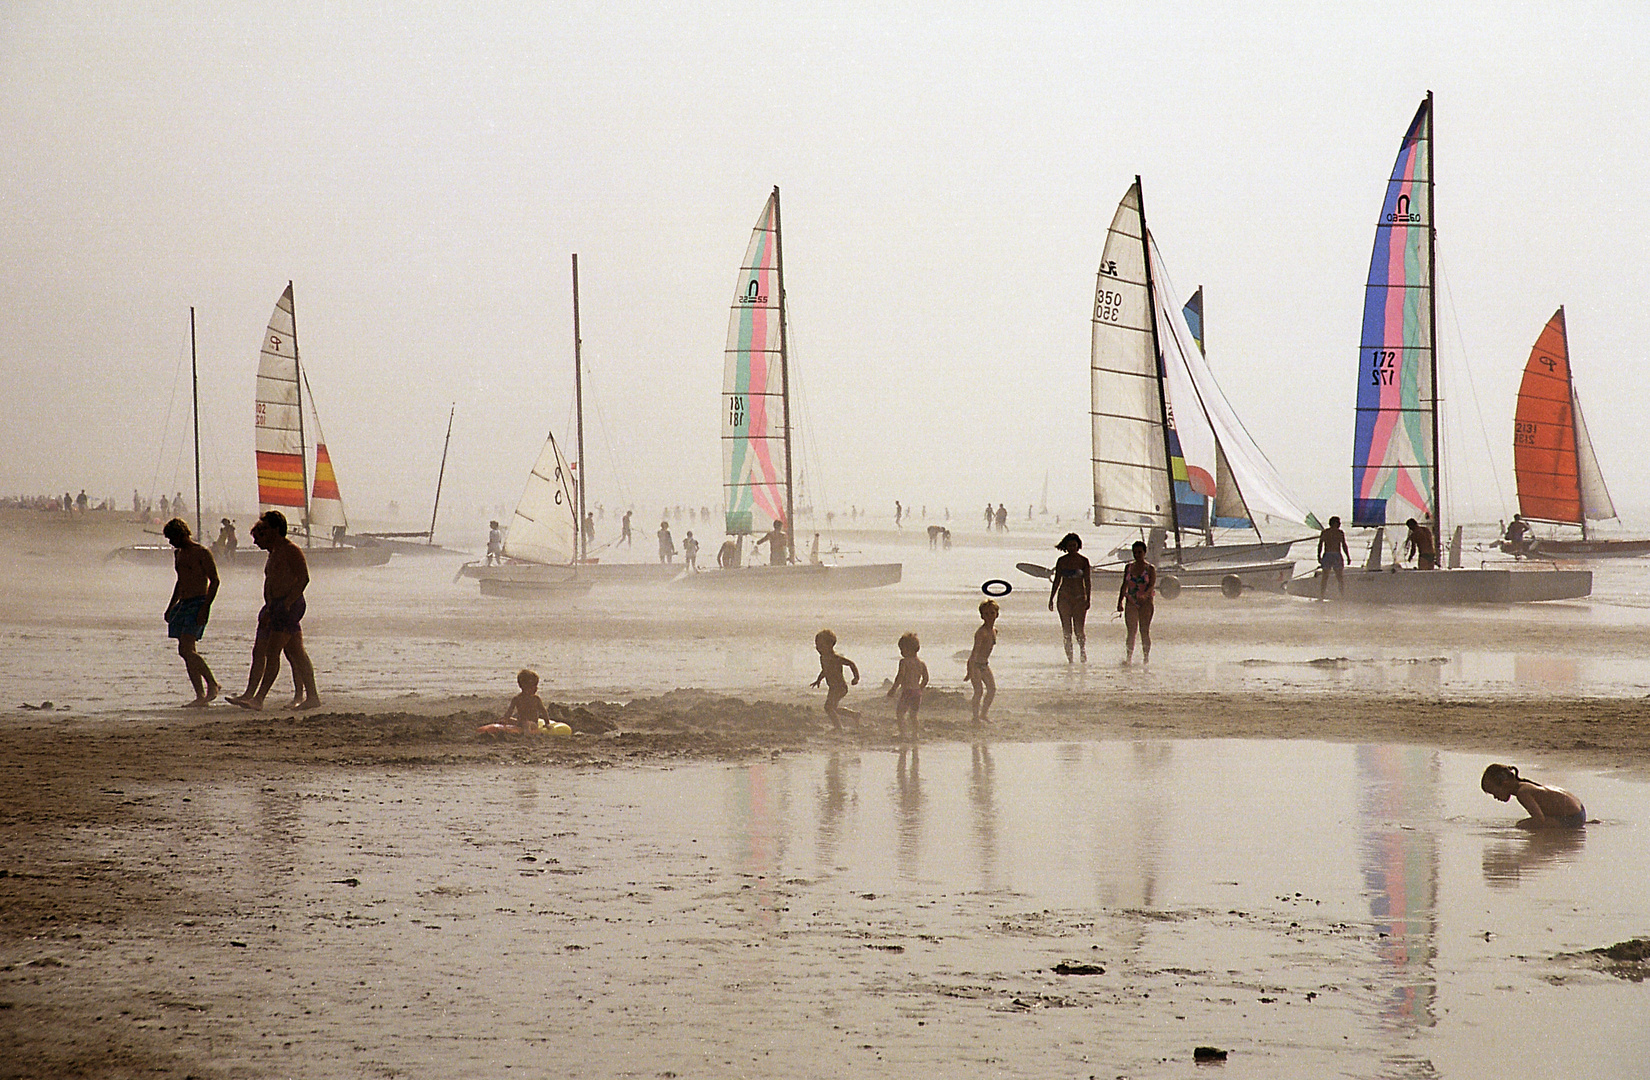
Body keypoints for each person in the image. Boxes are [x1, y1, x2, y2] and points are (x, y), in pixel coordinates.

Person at [229, 511, 319, 711]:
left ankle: (259, 698)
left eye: (264, 530)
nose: (260, 537)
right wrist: (270, 606)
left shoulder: (290, 550)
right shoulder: (274, 553)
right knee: (290, 652)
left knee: (273, 652)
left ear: (276, 530)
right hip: (273, 606)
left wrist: (287, 603)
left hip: (289, 605)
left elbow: (303, 578)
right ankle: (310, 696)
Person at [162, 518, 220, 707]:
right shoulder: (178, 554)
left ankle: (213, 683)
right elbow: (180, 582)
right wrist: (171, 606)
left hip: (198, 602)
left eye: (172, 538)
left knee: (186, 648)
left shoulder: (201, 552)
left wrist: (206, 608)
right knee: (185, 651)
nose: (171, 542)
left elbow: (214, 581)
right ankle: (200, 695)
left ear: (182, 534)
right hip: (183, 603)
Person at [1481, 763, 1587, 829]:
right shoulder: (1526, 785)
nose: (1495, 797)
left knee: (1522, 825)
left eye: (1494, 792)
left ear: (1504, 783)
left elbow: (1539, 820)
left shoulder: (1523, 793)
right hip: (1580, 810)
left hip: (1573, 818)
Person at [1048, 532, 1092, 663]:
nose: (1072, 548)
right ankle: (1070, 660)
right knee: (1066, 630)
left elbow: (1087, 581)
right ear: (1066, 547)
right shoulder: (1061, 561)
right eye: (1070, 546)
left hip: (1079, 597)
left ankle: (1082, 651)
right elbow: (1057, 581)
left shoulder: (1083, 561)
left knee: (1079, 629)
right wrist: (1051, 598)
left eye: (1074, 545)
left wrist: (1088, 599)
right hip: (1064, 597)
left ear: (1078, 546)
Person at [811, 629, 860, 729]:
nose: (818, 648)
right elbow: (825, 670)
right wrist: (819, 680)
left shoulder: (835, 658)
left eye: (820, 646)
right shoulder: (823, 658)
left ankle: (838, 728)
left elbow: (851, 664)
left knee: (828, 707)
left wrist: (856, 677)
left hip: (840, 687)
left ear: (830, 645)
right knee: (833, 708)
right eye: (817, 646)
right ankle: (854, 715)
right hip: (832, 688)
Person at [1117, 539, 1156, 665]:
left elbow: (1151, 586)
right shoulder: (1129, 567)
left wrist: (1145, 595)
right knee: (1131, 631)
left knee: (1144, 630)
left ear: (1144, 553)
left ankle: (1146, 658)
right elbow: (1124, 585)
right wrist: (1120, 601)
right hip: (1131, 601)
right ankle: (1129, 657)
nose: (1137, 555)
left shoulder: (1150, 568)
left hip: (1146, 602)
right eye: (1135, 553)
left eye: (1139, 552)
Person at [886, 632, 929, 739]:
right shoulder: (921, 664)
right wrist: (920, 688)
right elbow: (926, 679)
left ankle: (903, 734)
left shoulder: (904, 662)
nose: (901, 652)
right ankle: (915, 734)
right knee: (913, 715)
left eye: (902, 649)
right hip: (917, 692)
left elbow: (900, 677)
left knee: (900, 713)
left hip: (907, 692)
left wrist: (893, 689)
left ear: (909, 649)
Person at [967, 599, 998, 723]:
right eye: (986, 614)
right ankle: (975, 717)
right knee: (978, 691)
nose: (989, 616)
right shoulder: (981, 633)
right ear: (982, 616)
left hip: (985, 664)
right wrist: (970, 670)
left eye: (992, 613)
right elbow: (974, 652)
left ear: (997, 614)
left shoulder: (994, 631)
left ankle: (983, 714)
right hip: (975, 664)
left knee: (992, 689)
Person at [501, 668, 551, 734]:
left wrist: (547, 723)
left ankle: (527, 735)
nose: (536, 688)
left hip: (533, 723)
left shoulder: (536, 699)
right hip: (520, 722)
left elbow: (543, 711)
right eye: (534, 686)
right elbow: (509, 711)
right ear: (524, 686)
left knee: (527, 723)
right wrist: (505, 719)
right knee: (509, 720)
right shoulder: (517, 699)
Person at [1317, 515, 1351, 599]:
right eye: (1338, 522)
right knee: (1327, 577)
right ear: (1334, 523)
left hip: (1334, 555)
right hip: (1330, 555)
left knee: (1338, 577)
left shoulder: (1339, 533)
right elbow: (1320, 544)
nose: (1339, 524)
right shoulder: (1327, 532)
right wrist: (1319, 555)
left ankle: (1341, 595)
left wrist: (1348, 556)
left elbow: (1344, 545)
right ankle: (1322, 595)